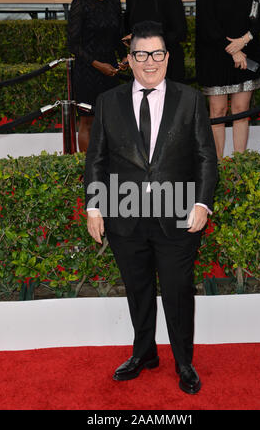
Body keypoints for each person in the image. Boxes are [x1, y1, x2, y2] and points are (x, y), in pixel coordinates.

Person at [84, 21, 218, 394]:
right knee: (137, 290)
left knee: (177, 291)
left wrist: (202, 202)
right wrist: (95, 207)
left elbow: (206, 157)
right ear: (129, 59)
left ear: (167, 57)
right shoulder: (108, 102)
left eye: (157, 54)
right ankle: (144, 353)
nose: (149, 62)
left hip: (176, 214)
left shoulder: (189, 99)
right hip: (123, 214)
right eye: (141, 55)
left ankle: (184, 361)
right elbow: (95, 159)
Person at [195, 0, 260, 159]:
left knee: (241, 110)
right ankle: (218, 166)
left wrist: (244, 40)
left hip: (247, 52)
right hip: (215, 55)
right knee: (217, 111)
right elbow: (206, 21)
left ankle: (239, 163)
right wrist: (234, 50)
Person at [68, 0, 128, 152]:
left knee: (111, 120)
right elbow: (73, 44)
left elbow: (118, 34)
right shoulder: (80, 1)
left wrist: (123, 57)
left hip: (110, 70)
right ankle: (87, 170)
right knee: (87, 121)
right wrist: (97, 64)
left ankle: (108, 169)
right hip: (87, 70)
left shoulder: (114, 0)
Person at [123, 0, 187, 82]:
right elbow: (128, 26)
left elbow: (180, 33)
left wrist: (142, 38)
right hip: (142, 66)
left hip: (169, 65)